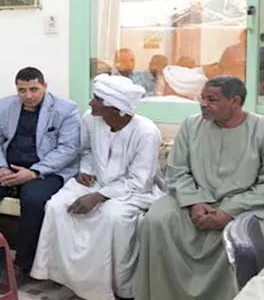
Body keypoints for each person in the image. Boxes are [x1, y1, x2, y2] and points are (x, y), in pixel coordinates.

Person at [31, 75, 164, 300]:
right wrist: (86, 170)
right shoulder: (90, 119)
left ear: (115, 107)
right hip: (95, 181)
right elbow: (86, 151)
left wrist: (100, 196)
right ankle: (69, 279)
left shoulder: (146, 132)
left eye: (97, 99)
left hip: (133, 191)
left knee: (113, 217)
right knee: (56, 206)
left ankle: (116, 287)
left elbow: (141, 180)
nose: (91, 102)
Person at [135, 76, 264, 300]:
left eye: (212, 99)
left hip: (244, 203)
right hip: (193, 198)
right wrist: (194, 202)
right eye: (202, 98)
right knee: (156, 220)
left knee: (243, 234)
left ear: (234, 101)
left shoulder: (260, 128)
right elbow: (177, 171)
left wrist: (229, 211)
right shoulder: (191, 125)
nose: (203, 104)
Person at [0, 67, 81, 288]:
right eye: (22, 90)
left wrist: (34, 171)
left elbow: (68, 149)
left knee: (33, 200)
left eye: (34, 89)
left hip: (45, 170)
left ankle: (22, 265)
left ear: (45, 86)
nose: (28, 95)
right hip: (8, 167)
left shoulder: (66, 109)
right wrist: (0, 167)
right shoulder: (5, 105)